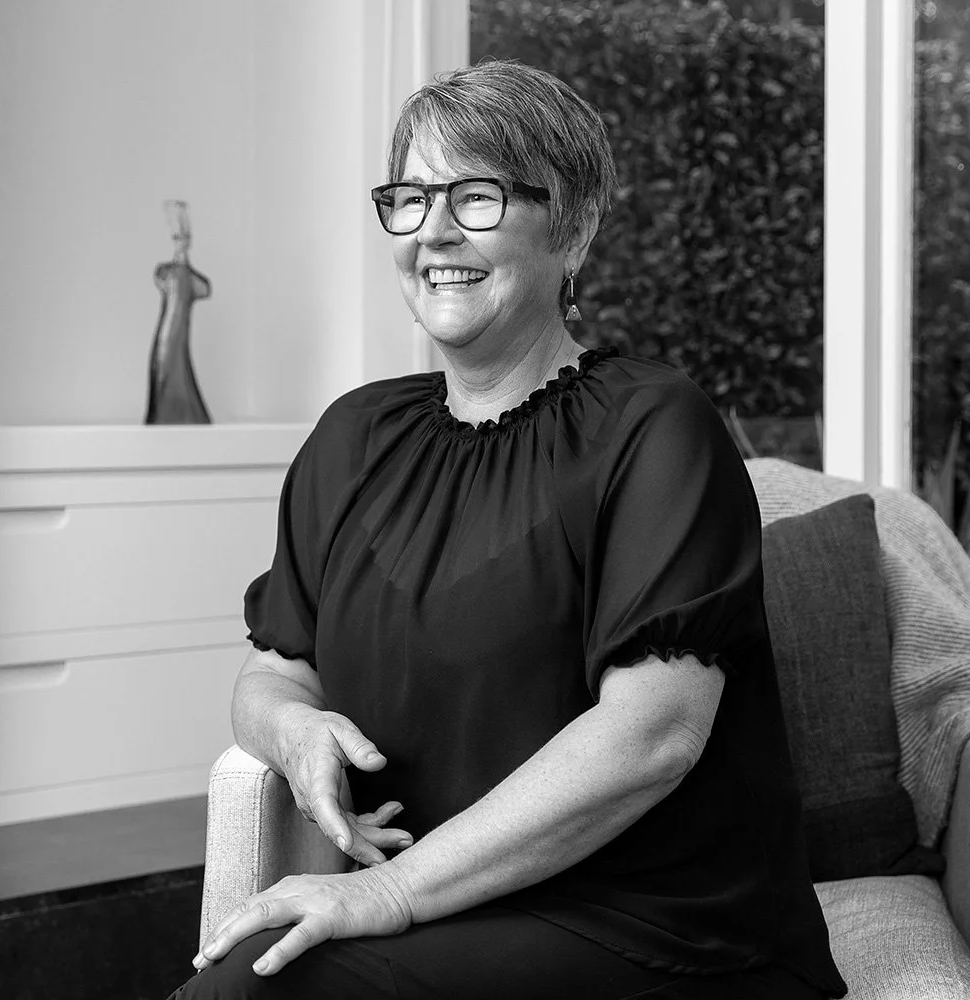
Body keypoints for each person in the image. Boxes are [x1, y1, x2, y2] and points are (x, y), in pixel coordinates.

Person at [169, 59, 847, 1000]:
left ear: (570, 229)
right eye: (409, 198)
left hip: (651, 927)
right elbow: (273, 668)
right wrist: (291, 730)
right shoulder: (353, 437)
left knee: (258, 992)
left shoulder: (654, 426)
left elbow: (654, 737)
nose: (433, 231)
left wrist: (394, 890)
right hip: (448, 914)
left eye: (476, 196)